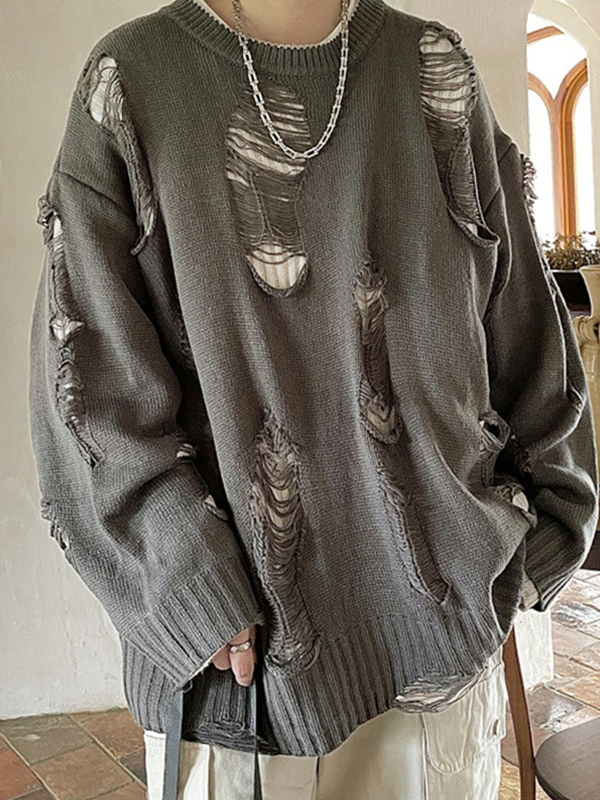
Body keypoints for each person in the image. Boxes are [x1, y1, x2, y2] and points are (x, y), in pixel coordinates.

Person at [28, 0, 599, 798]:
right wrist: (187, 587)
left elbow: (530, 338)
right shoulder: (129, 85)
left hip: (444, 663)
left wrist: (538, 542)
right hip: (238, 683)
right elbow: (86, 387)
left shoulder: (435, 72)